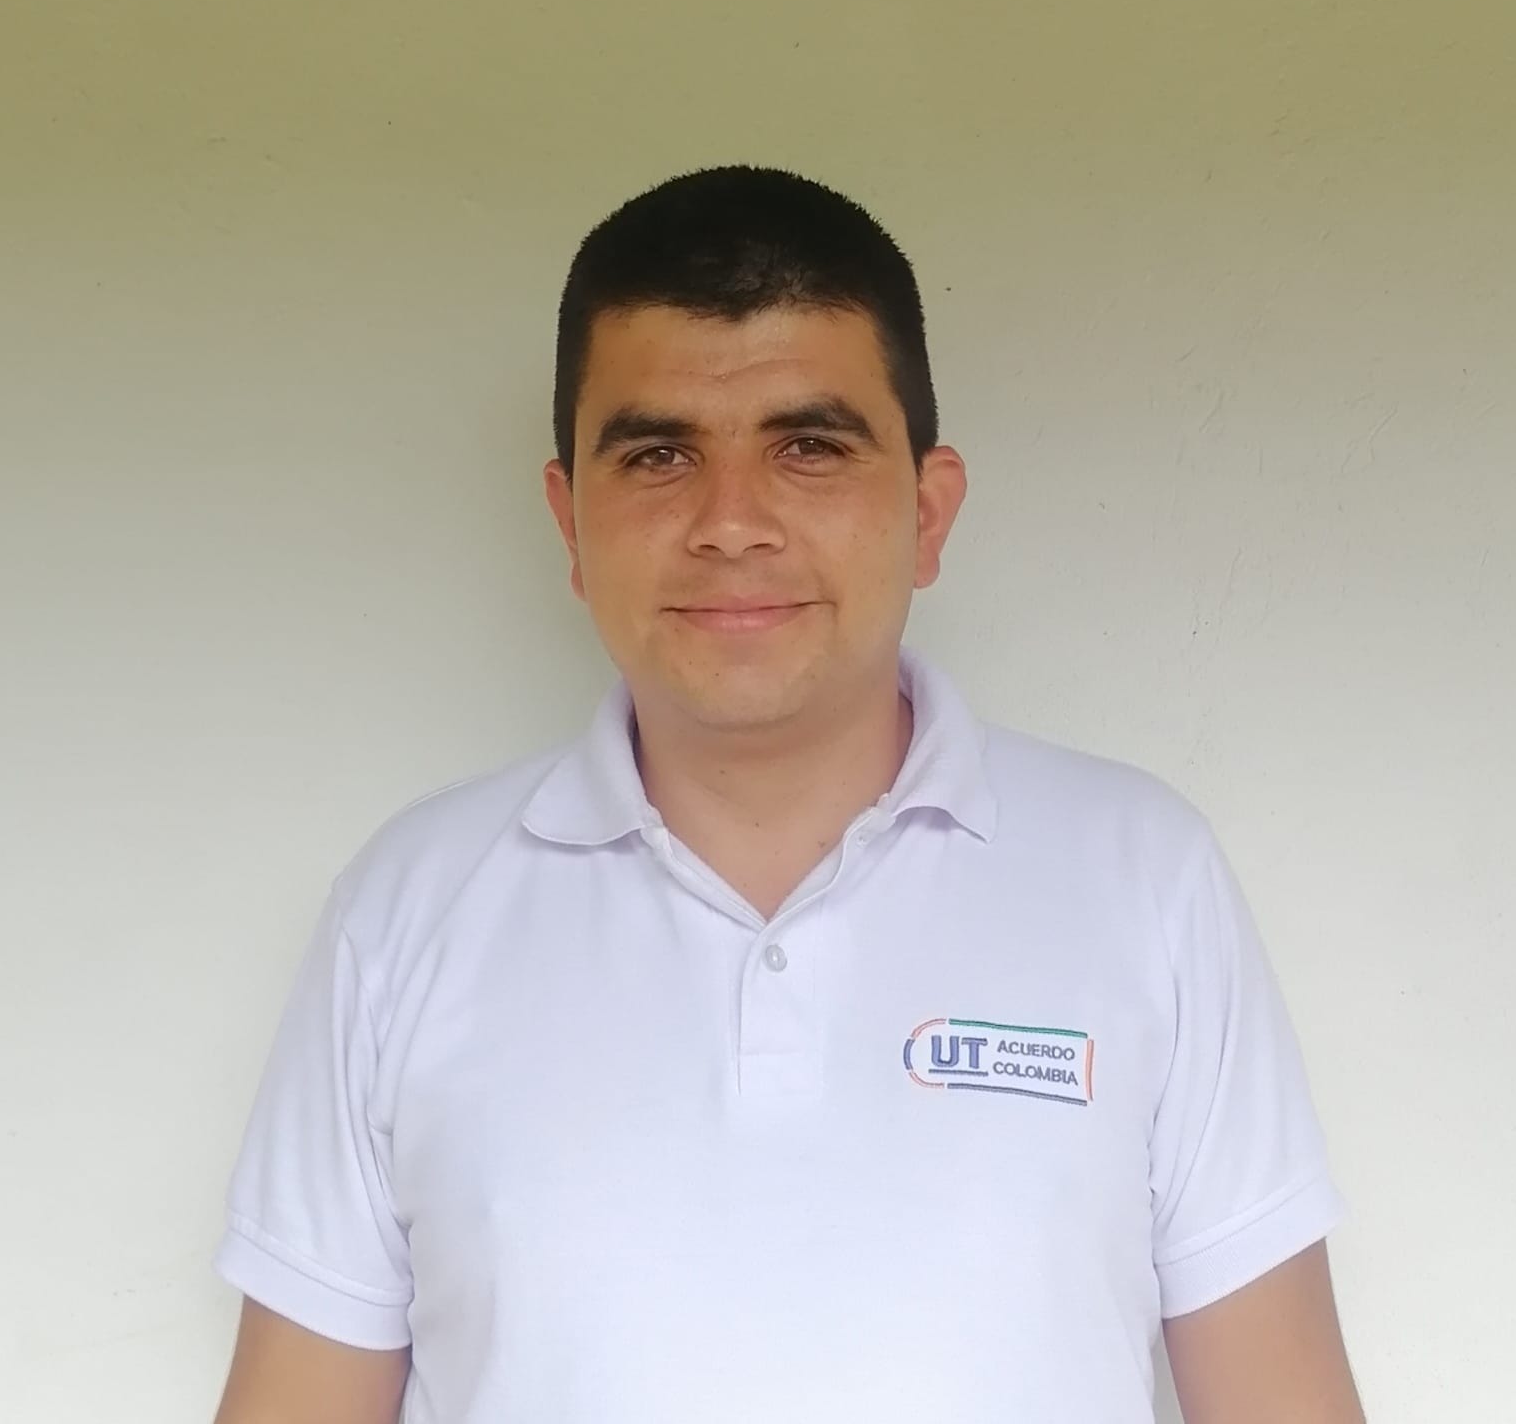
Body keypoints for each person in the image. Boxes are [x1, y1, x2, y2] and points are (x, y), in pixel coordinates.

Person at [210, 166, 1365, 1424]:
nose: (730, 522)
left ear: (927, 510)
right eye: (658, 454)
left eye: (808, 448)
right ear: (569, 520)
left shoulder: (1141, 877)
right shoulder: (407, 909)